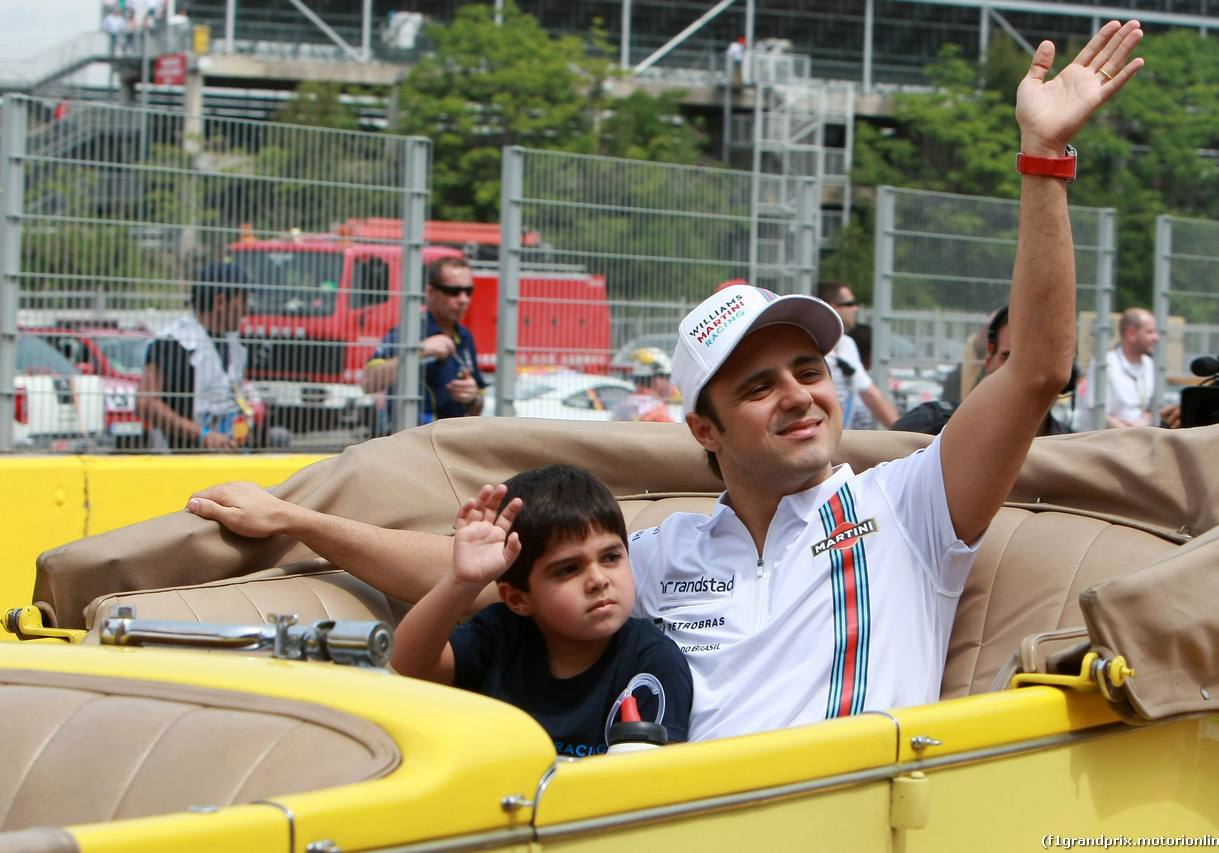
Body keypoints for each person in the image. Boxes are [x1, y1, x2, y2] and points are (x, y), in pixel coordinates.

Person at [188, 19, 1145, 741]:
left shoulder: (909, 507)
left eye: (809, 369)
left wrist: (1045, 160)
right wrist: (301, 523)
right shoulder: (663, 551)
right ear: (705, 430)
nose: (801, 394)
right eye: (759, 385)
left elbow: (1035, 373)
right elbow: (486, 578)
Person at [391, 465, 693, 756]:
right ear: (518, 599)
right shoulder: (500, 634)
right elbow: (408, 664)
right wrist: (462, 582)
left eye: (611, 557)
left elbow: (661, 781)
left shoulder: (652, 660)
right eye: (568, 569)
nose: (599, 580)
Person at [893, 305, 1074, 436]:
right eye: (1008, 357)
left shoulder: (1073, 454)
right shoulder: (931, 426)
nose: (1022, 372)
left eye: (1034, 360)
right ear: (989, 364)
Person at [137, 261, 261, 451]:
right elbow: (145, 404)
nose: (246, 310)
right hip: (180, 462)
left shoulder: (234, 343)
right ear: (220, 302)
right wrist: (201, 434)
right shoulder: (172, 343)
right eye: (242, 300)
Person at [362, 256, 486, 426]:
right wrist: (420, 351)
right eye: (453, 291)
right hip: (412, 443)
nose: (463, 299)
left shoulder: (465, 337)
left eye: (468, 291)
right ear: (431, 293)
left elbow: (477, 408)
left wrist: (473, 397)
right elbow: (369, 383)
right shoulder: (408, 333)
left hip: (451, 445)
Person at [816, 281, 898, 429]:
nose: (856, 308)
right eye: (850, 303)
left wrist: (905, 434)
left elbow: (870, 394)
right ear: (835, 308)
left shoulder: (847, 344)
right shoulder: (810, 345)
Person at [1080, 307, 1158, 429]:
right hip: (1106, 441)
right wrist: (1126, 432)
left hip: (1139, 438)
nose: (1156, 338)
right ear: (1131, 333)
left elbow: (1153, 409)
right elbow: (1095, 411)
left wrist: (1143, 422)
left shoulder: (1150, 365)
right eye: (1149, 332)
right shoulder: (1104, 364)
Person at [611, 348, 676, 423]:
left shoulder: (621, 407)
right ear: (658, 379)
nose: (670, 384)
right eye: (668, 378)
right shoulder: (658, 414)